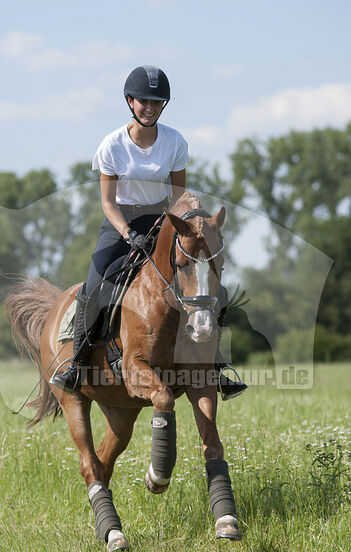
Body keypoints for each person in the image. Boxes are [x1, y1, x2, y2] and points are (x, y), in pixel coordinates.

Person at [50, 65, 247, 399]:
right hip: (120, 223)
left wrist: (172, 227)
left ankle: (215, 367)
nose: (150, 108)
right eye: (144, 101)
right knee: (94, 287)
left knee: (209, 285)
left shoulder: (174, 142)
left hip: (163, 221)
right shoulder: (111, 145)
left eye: (157, 102)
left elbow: (177, 194)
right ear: (130, 101)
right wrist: (129, 233)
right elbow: (108, 203)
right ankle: (76, 365)